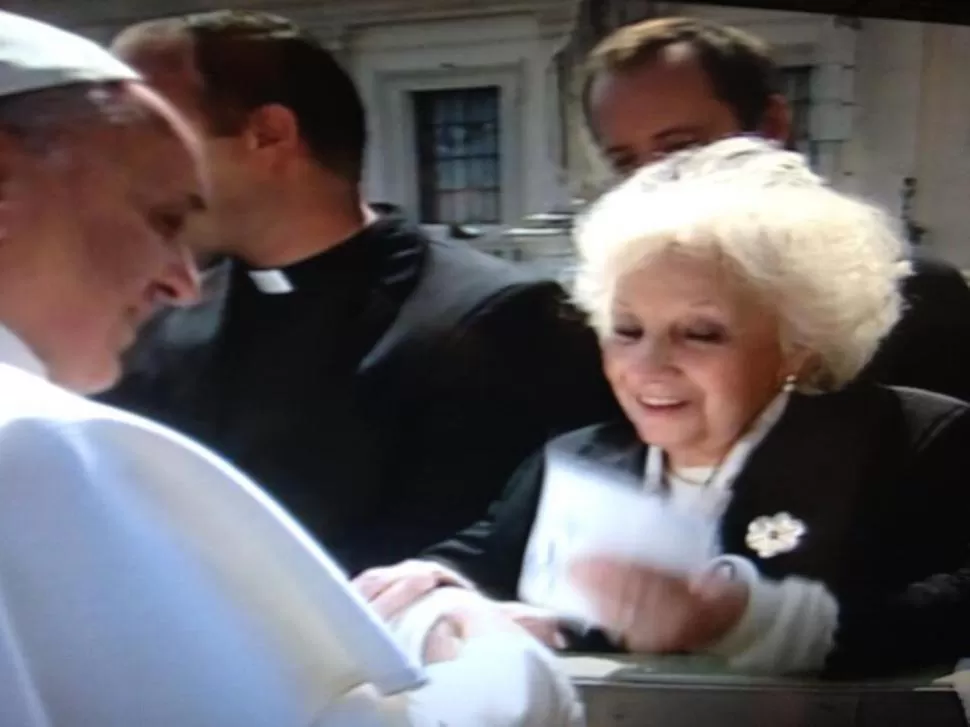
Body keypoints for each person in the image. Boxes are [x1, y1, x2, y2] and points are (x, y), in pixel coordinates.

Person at [0, 10, 582, 725]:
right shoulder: (37, 446)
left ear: (272, 132)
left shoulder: (489, 313)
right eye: (158, 216)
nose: (180, 280)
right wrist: (504, 662)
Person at [358, 137, 970, 679]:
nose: (647, 365)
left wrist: (739, 620)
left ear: (798, 346)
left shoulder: (908, 443)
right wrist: (445, 604)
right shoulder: (575, 459)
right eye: (627, 330)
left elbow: (951, 612)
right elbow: (459, 570)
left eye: (700, 333)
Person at [99, 10, 617, 575]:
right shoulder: (158, 315)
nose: (119, 167)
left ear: (269, 134)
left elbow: (494, 555)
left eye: (153, 132)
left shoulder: (495, 320)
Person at [576, 15, 970, 402]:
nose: (651, 180)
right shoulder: (581, 327)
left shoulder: (917, 301)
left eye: (681, 148)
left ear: (770, 127)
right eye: (626, 162)